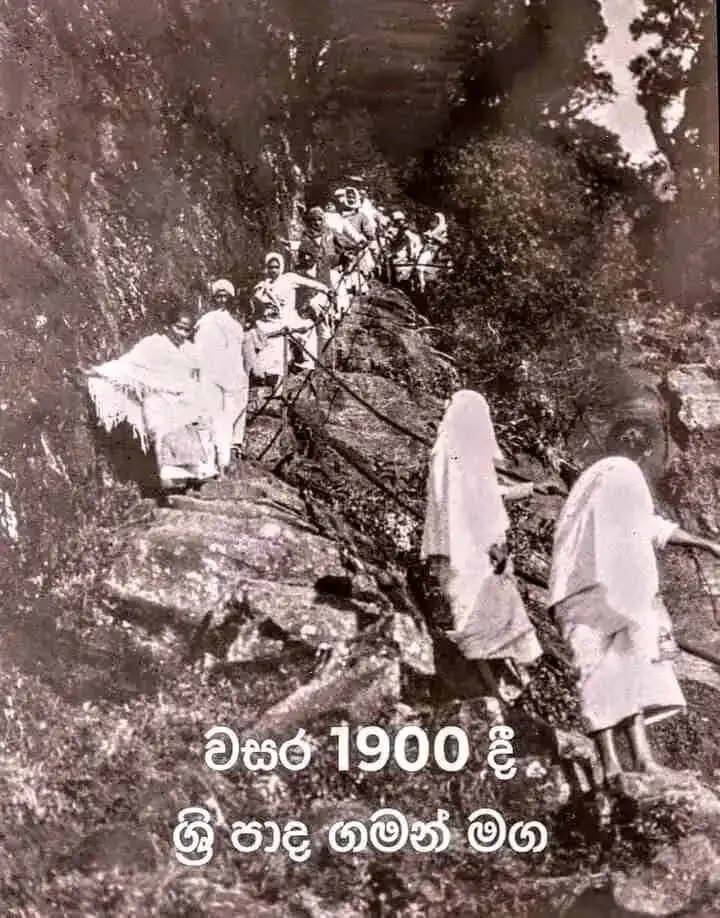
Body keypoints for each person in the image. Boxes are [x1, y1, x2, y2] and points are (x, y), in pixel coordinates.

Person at [548, 418, 720, 783]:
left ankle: (619, 763)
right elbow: (643, 528)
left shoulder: (589, 478)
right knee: (624, 668)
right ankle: (637, 760)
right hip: (611, 589)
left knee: (599, 673)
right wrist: (703, 545)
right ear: (644, 451)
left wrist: (703, 543)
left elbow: (642, 525)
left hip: (575, 590)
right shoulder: (626, 474)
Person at [421, 389, 548, 716]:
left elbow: (478, 495)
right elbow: (482, 505)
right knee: (488, 621)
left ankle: (494, 694)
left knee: (471, 620)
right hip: (479, 553)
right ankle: (497, 698)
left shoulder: (445, 452)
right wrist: (498, 548)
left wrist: (529, 489)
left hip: (453, 552)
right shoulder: (468, 454)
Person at [84, 297, 217, 492]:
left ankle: (192, 480)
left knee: (193, 434)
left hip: (184, 403)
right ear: (167, 326)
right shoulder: (152, 345)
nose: (182, 333)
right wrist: (97, 371)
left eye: (186, 330)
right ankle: (170, 485)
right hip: (157, 401)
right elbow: (128, 366)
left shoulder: (190, 350)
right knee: (164, 436)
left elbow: (196, 377)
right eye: (178, 327)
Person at [193, 278, 249, 470]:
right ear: (214, 298)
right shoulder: (207, 320)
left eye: (226, 295)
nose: (222, 299)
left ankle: (232, 448)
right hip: (212, 372)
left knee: (234, 410)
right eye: (219, 295)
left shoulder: (237, 320)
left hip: (233, 372)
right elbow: (200, 347)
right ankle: (213, 462)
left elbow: (242, 347)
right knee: (213, 414)